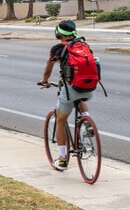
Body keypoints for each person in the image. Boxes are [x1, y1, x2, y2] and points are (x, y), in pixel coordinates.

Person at [39, 19, 93, 171]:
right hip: (90, 89)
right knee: (79, 96)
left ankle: (62, 159)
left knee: (60, 120)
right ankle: (87, 118)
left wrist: (44, 81)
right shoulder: (83, 45)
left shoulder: (57, 49)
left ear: (58, 33)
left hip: (71, 90)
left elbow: (48, 68)